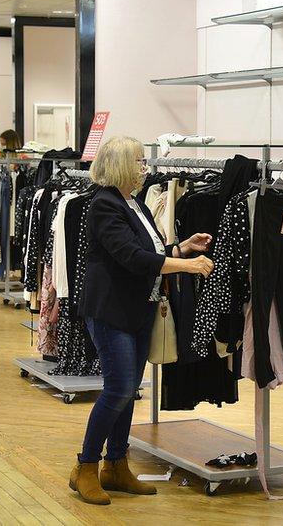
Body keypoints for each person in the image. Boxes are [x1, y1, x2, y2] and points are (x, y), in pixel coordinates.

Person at [70, 136, 214, 505]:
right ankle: (85, 465)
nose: (144, 168)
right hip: (110, 311)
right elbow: (130, 257)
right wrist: (186, 265)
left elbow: (150, 252)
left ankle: (116, 465)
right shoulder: (103, 205)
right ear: (119, 164)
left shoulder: (134, 203)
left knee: (129, 387)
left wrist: (183, 248)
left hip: (137, 308)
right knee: (118, 388)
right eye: (138, 161)